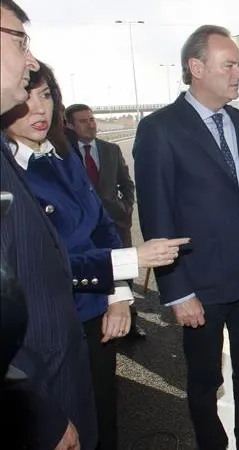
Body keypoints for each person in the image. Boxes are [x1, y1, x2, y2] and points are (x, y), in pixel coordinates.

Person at [2, 61, 190, 450]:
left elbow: (102, 226)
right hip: (43, 331)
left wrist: (119, 298)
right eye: (28, 97)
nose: (39, 109)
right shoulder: (12, 173)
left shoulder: (62, 156)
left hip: (94, 312)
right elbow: (42, 265)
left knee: (102, 419)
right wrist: (130, 261)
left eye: (47, 96)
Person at [133, 24, 239, 450]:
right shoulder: (159, 129)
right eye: (230, 64)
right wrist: (177, 291)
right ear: (196, 67)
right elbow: (157, 216)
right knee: (204, 380)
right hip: (199, 281)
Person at [0, 1, 89, 448]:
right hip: (34, 382)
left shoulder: (59, 158)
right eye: (20, 40)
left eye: (48, 94)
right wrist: (40, 415)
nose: (29, 58)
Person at [65, 103, 147, 339]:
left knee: (123, 271)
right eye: (83, 121)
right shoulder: (62, 153)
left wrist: (126, 207)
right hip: (81, 230)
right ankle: (95, 324)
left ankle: (130, 326)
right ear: (69, 125)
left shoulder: (110, 149)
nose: (91, 124)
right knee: (90, 273)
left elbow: (126, 183)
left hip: (115, 224)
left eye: (92, 119)